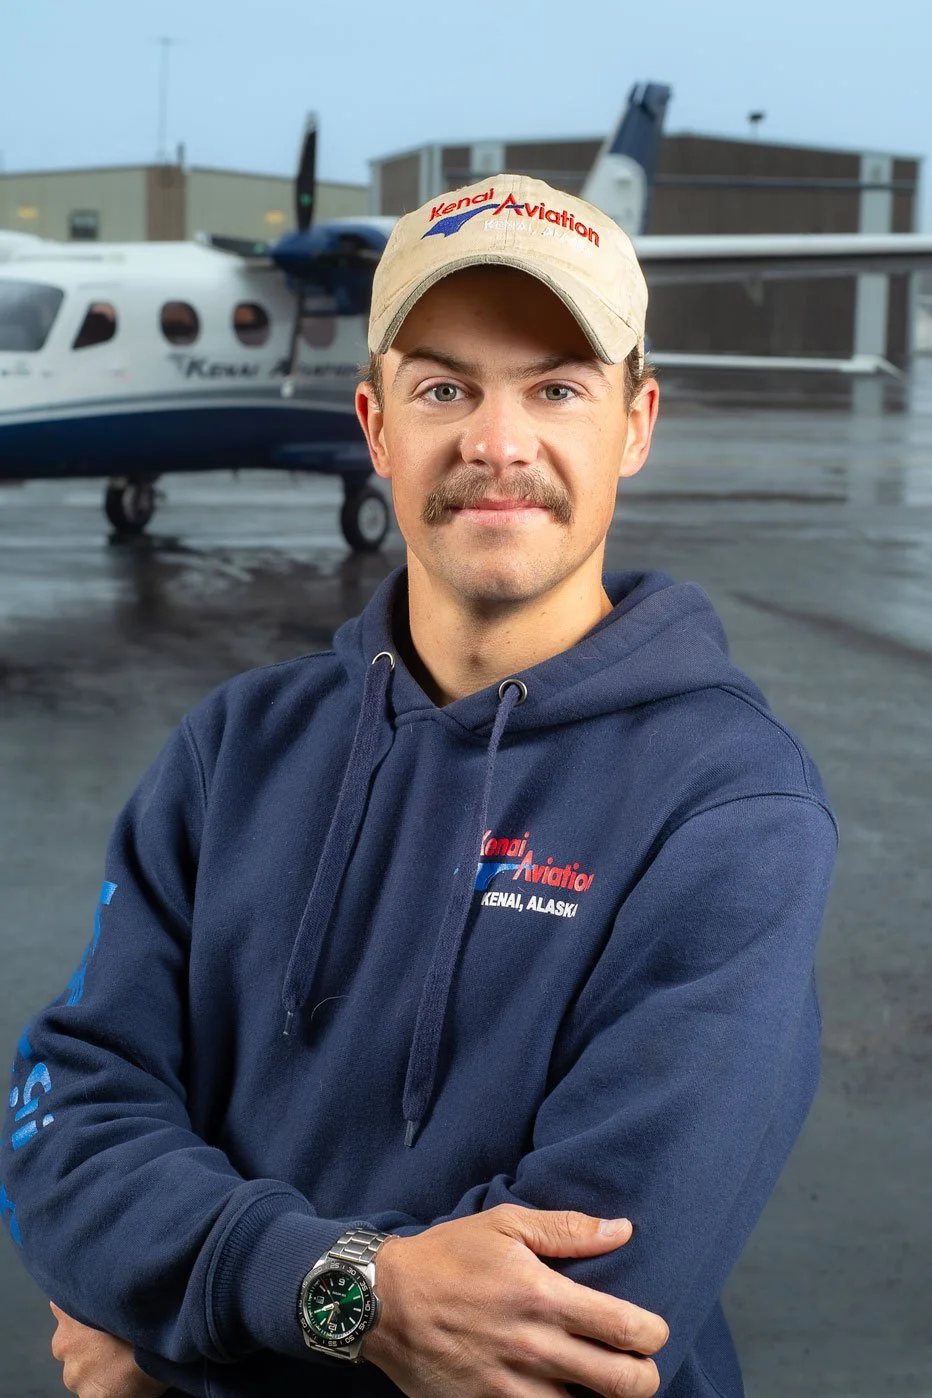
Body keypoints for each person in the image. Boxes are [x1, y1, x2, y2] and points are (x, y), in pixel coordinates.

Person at [1, 174, 837, 1398]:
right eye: (443, 387)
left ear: (638, 422)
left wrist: (171, 1326)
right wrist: (360, 1299)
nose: (496, 444)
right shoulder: (233, 745)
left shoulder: (731, 806)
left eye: (556, 387)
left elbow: (579, 1331)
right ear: (375, 423)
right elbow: (65, 1122)